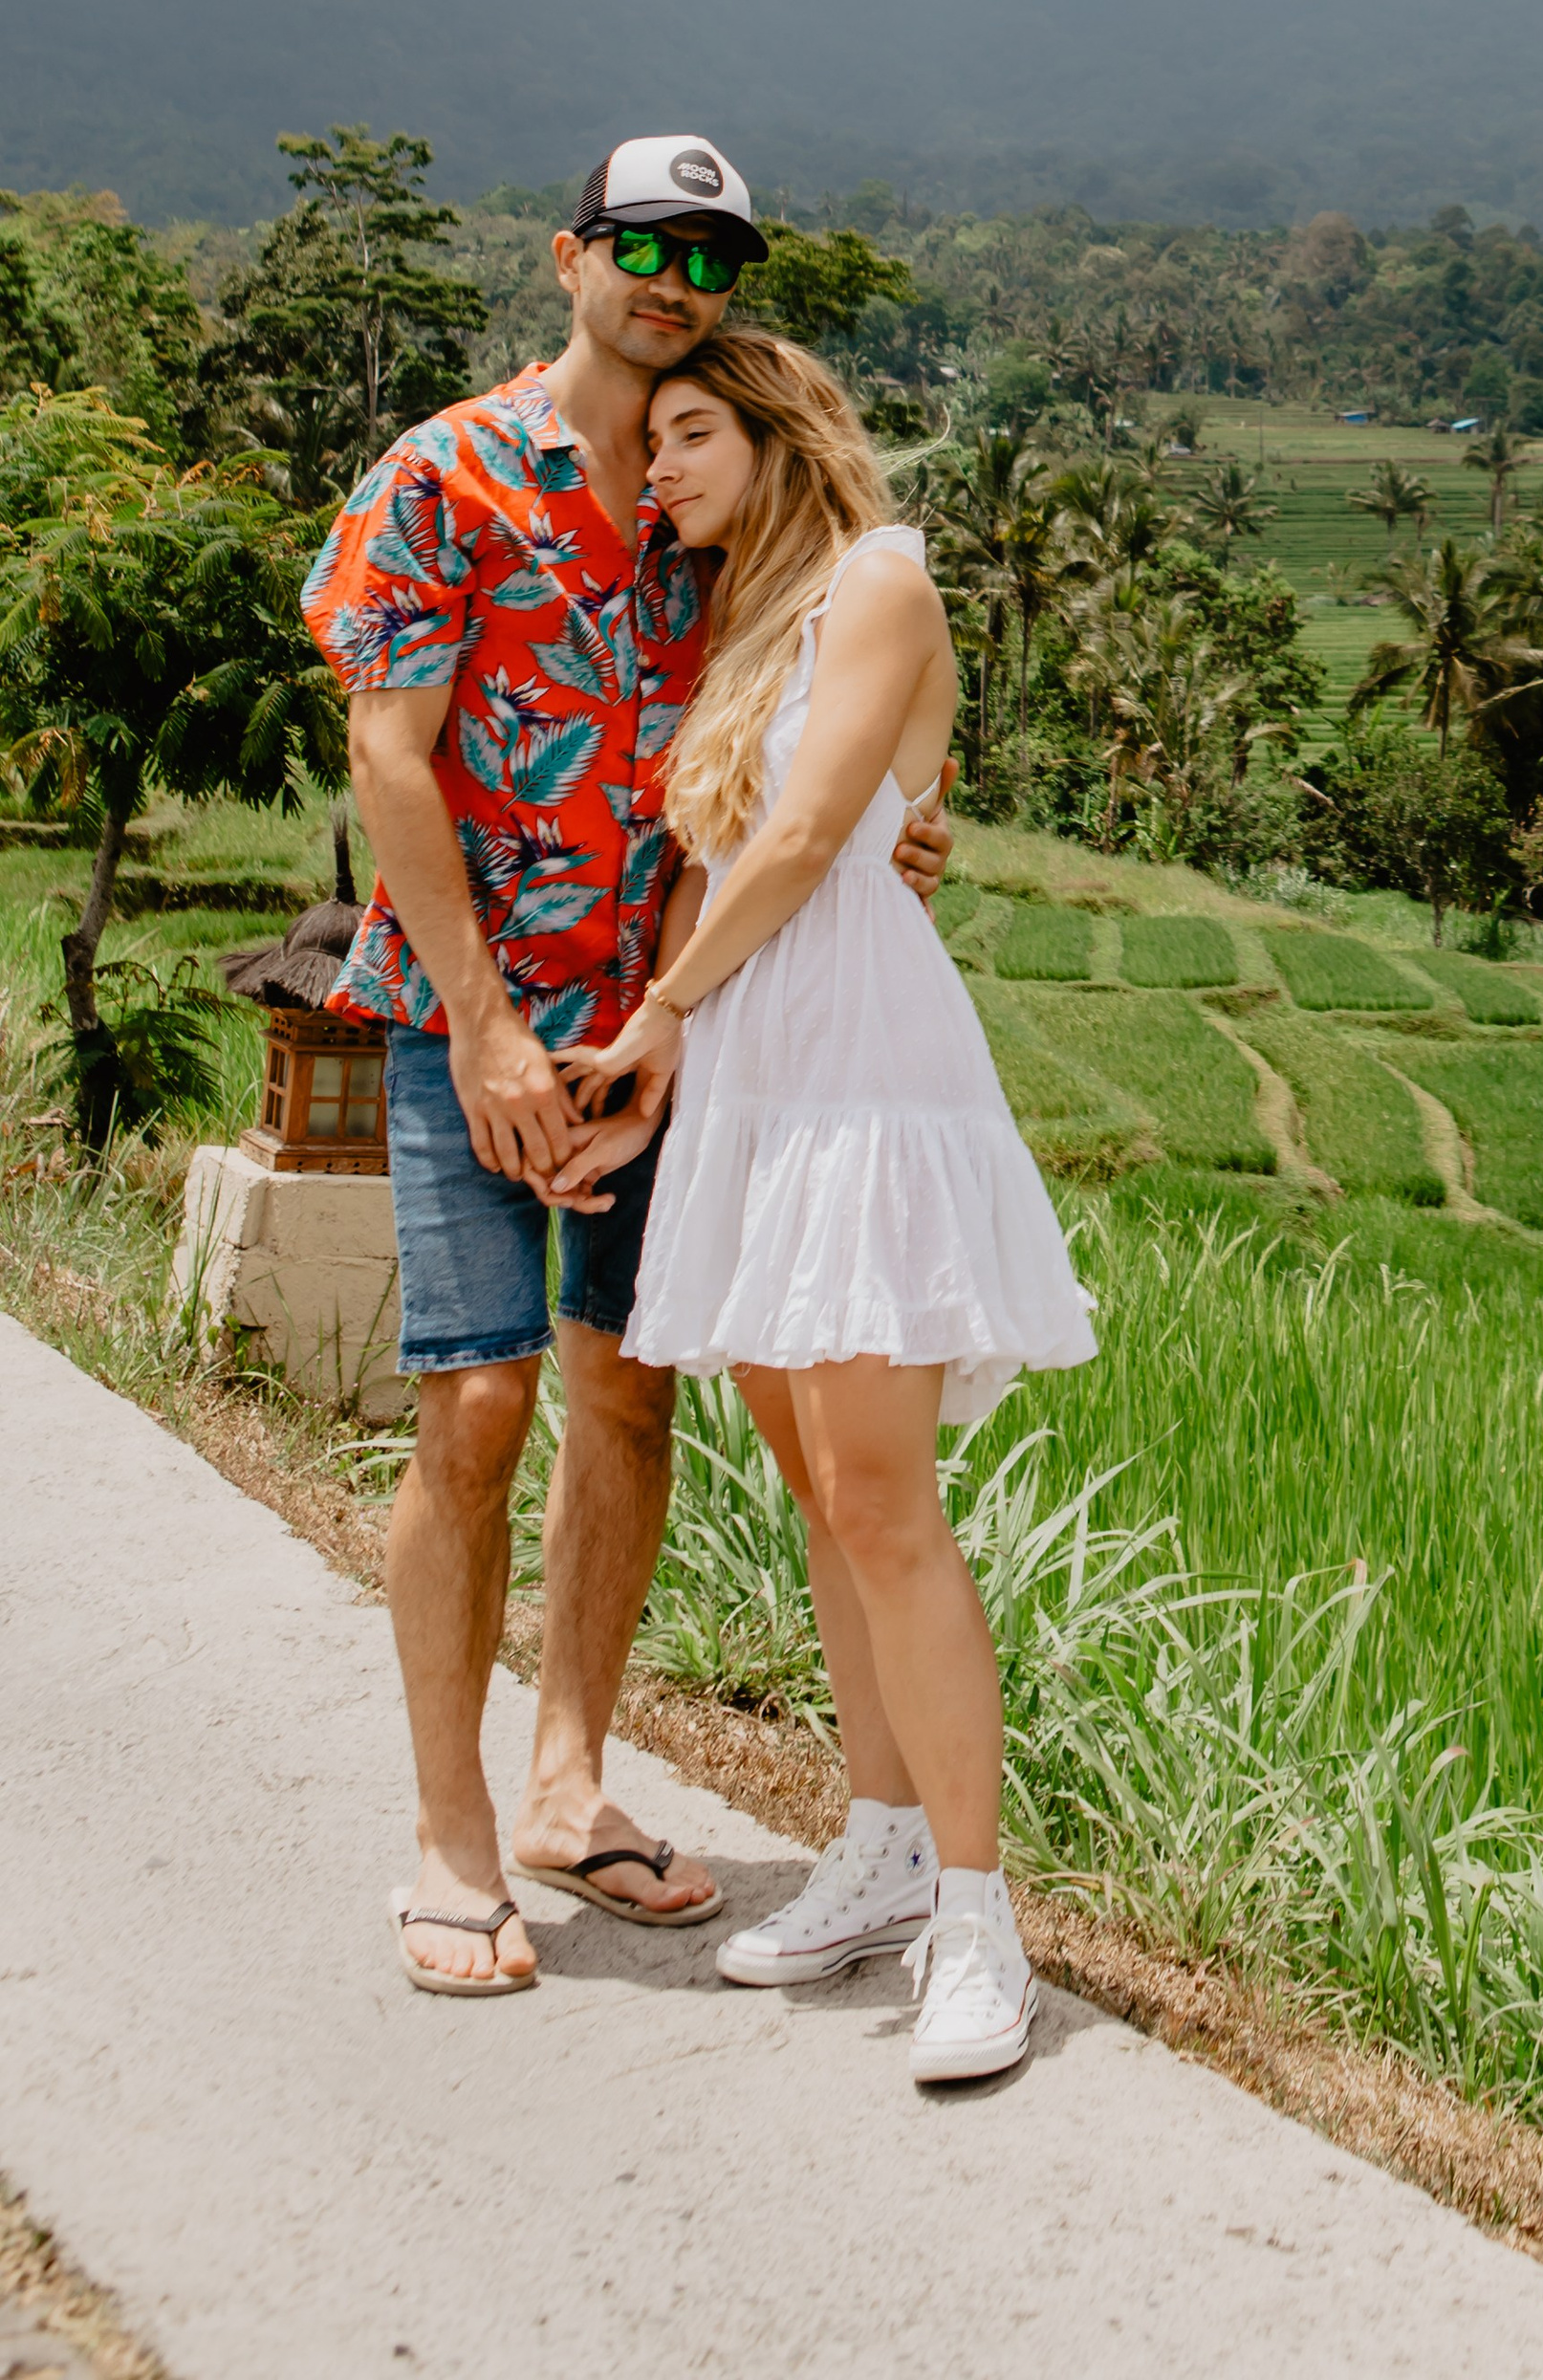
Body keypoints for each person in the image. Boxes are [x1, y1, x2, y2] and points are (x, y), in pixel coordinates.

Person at [301, 137, 953, 1998]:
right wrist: (492, 1021)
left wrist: (894, 832)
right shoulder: (446, 475)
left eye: (712, 254)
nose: (673, 276)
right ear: (571, 252)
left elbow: (812, 737)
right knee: (478, 1401)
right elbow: (393, 758)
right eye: (645, 242)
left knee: (626, 1396)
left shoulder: (712, 501)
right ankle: (449, 1836)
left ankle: (569, 1783)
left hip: (668, 1031)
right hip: (466, 1020)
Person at [557, 328, 1097, 2083]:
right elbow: (725, 854)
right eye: (655, 446)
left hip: (858, 1074)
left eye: (695, 433)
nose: (669, 471)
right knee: (814, 1475)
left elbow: (801, 848)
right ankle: (875, 1846)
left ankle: (978, 1915)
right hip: (761, 1088)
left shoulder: (878, 577)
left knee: (881, 1492)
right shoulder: (737, 624)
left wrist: (658, 1017)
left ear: (781, 432)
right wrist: (667, 1070)